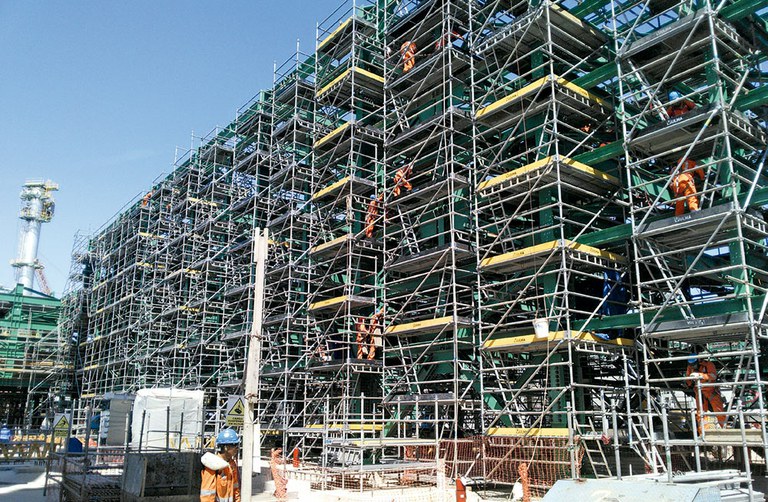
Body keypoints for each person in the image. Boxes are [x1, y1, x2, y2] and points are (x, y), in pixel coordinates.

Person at [686, 354, 725, 432]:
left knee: (719, 412)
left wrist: (700, 375)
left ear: (699, 361)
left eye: (694, 365)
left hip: (711, 391)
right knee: (701, 414)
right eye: (691, 365)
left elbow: (713, 376)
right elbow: (688, 380)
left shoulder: (708, 365)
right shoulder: (690, 367)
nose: (693, 367)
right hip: (700, 393)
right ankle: (703, 434)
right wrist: (689, 381)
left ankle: (726, 431)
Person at [200, 428, 241, 502]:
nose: (237, 448)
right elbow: (207, 495)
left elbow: (235, 488)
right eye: (235, 445)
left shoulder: (232, 464)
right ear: (226, 447)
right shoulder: (213, 465)